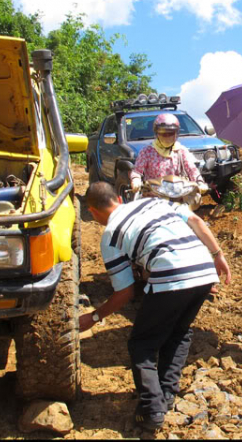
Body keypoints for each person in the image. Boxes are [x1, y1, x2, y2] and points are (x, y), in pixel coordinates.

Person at [79, 181, 231, 432]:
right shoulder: (153, 201)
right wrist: (218, 255)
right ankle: (167, 393)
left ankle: (151, 410)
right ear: (118, 198)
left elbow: (125, 292)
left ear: (93, 211)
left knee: (142, 343)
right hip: (204, 270)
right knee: (179, 332)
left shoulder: (110, 235)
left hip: (172, 273)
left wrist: (95, 317)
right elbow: (197, 222)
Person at [129, 113, 219, 295]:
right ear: (156, 133)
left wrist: (200, 182)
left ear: (177, 134)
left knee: (197, 229)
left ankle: (207, 276)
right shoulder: (147, 152)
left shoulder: (181, 151)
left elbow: (193, 170)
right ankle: (136, 264)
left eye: (171, 133)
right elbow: (137, 171)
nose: (168, 137)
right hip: (153, 199)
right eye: (164, 133)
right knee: (141, 229)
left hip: (177, 200)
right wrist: (136, 180)